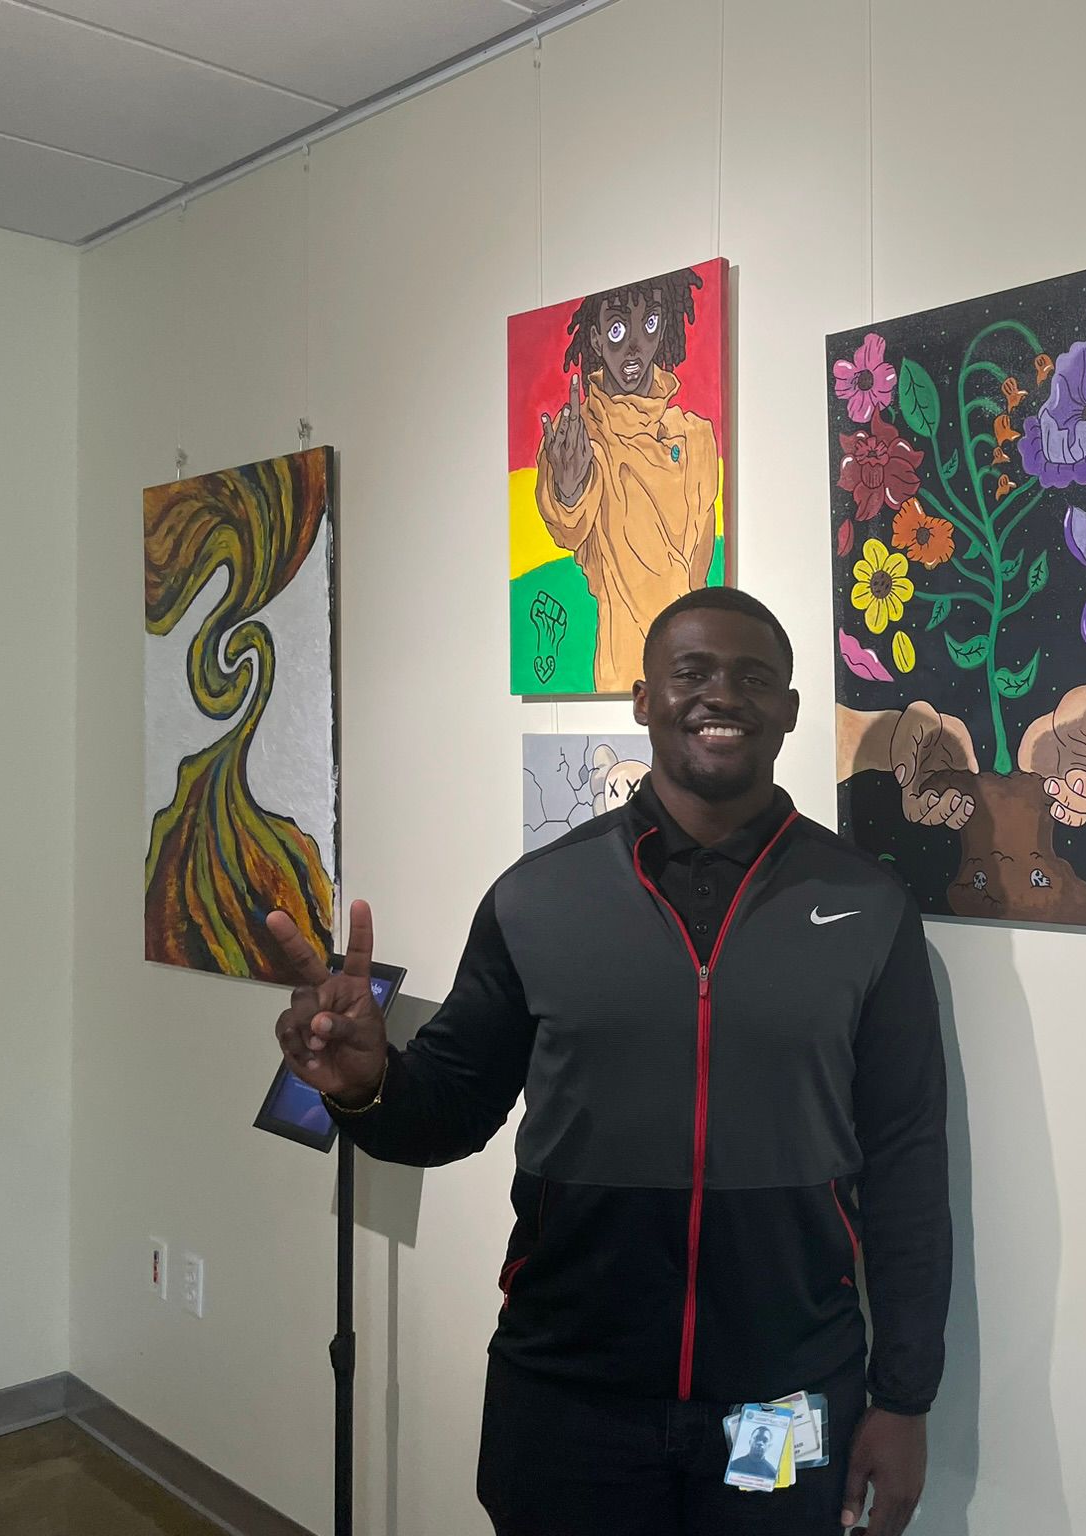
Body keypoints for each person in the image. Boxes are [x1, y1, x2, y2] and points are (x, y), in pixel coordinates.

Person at [269, 588, 950, 1536]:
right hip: (567, 1401)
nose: (724, 695)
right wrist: (368, 1085)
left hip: (781, 1400)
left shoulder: (867, 909)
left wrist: (905, 1395)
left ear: (790, 710)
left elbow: (910, 1160)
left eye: (755, 677)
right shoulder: (537, 899)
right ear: (642, 700)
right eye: (693, 672)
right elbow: (452, 1109)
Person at [534, 268, 721, 693]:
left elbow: (699, 574)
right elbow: (568, 528)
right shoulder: (582, 434)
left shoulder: (695, 436)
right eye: (617, 329)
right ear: (596, 340)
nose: (635, 345)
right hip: (622, 675)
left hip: (689, 676)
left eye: (650, 323)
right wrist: (568, 488)